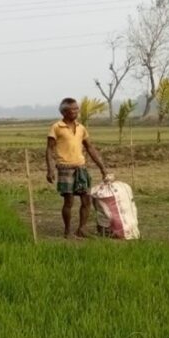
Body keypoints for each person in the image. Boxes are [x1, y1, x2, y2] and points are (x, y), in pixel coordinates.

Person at [46, 98, 110, 239]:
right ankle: (67, 231)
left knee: (86, 200)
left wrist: (102, 168)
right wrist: (50, 169)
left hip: (81, 168)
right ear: (64, 111)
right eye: (72, 109)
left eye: (77, 108)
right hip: (65, 168)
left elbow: (90, 148)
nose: (76, 111)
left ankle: (82, 229)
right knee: (68, 201)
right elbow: (49, 149)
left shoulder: (81, 128)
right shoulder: (57, 127)